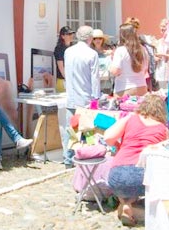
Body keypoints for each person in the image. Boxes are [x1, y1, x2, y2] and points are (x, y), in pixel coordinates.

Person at [104, 94, 169, 226]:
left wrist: (119, 146)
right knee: (150, 177)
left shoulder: (130, 119)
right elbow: (167, 156)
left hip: (115, 176)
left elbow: (108, 137)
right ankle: (142, 209)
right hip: (141, 177)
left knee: (126, 184)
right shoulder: (164, 130)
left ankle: (126, 204)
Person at [63, 25, 100, 168]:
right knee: (88, 129)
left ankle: (68, 158)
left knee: (71, 128)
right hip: (86, 96)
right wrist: (96, 98)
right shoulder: (92, 54)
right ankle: (89, 155)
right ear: (90, 38)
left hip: (71, 96)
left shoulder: (68, 51)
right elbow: (95, 79)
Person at [109, 23, 149, 97]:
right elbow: (145, 69)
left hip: (124, 89)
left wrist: (110, 66)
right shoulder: (143, 49)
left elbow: (115, 71)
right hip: (142, 87)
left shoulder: (120, 50)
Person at [53, 26, 74, 93]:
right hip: (63, 81)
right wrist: (69, 80)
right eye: (68, 34)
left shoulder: (72, 48)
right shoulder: (59, 49)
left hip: (72, 81)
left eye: (72, 34)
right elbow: (61, 68)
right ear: (62, 36)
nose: (71, 36)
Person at [154, 18, 169, 90]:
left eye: (164, 26)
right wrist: (155, 58)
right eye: (161, 26)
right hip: (160, 71)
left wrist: (162, 54)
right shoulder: (158, 42)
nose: (162, 28)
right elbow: (155, 55)